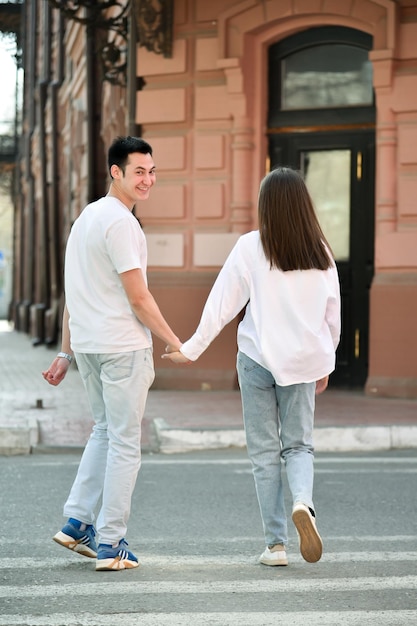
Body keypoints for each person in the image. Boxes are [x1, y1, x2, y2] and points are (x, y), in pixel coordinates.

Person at [163, 166, 341, 566]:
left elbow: (221, 305)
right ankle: (303, 504)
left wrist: (191, 349)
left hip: (258, 360)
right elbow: (333, 316)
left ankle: (275, 546)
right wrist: (325, 360)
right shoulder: (321, 252)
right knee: (299, 445)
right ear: (303, 206)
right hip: (302, 364)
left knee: (264, 453)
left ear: (265, 206)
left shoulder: (249, 247)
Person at [43, 136, 181, 572]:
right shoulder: (121, 223)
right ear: (115, 172)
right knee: (124, 442)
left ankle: (77, 522)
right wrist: (175, 341)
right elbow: (138, 298)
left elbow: (73, 295)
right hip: (122, 347)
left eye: (152, 171)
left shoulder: (86, 219)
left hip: (89, 347)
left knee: (104, 431)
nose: (148, 180)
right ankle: (110, 542)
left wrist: (66, 352)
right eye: (139, 171)